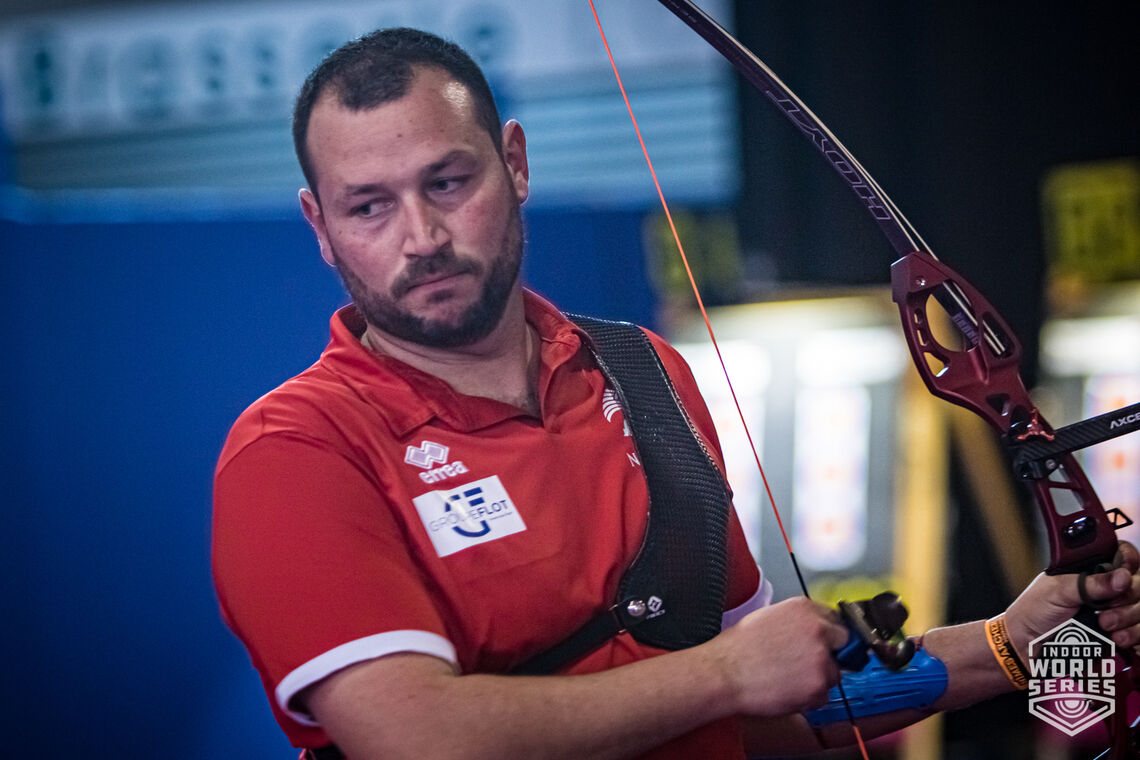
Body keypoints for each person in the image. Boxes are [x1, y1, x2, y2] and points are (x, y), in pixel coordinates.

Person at [212, 27, 1140, 759]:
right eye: (368, 204)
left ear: (516, 163)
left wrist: (1016, 643)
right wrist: (729, 676)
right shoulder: (298, 449)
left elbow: (791, 702)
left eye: (448, 182)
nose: (420, 236)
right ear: (321, 227)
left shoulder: (646, 374)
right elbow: (414, 737)